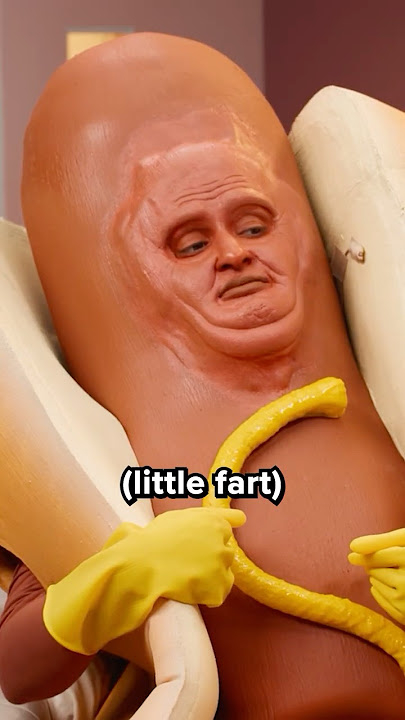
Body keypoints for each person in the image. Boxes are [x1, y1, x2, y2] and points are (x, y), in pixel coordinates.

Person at [2, 32, 405, 719]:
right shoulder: (109, 456)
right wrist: (108, 586)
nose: (233, 255)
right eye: (190, 243)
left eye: (253, 226)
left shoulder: (381, 383)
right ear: (128, 277)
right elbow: (17, 669)